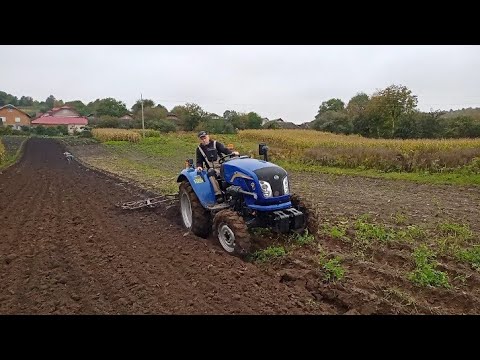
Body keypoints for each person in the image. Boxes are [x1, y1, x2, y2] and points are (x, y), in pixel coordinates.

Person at [196, 131, 239, 203]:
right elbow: (199, 160)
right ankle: (218, 194)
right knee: (210, 172)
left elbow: (225, 150)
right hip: (212, 168)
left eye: (205, 138)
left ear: (208, 137)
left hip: (222, 165)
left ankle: (235, 191)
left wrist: (233, 153)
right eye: (202, 139)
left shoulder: (216, 144)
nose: (204, 140)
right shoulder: (199, 149)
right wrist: (199, 166)